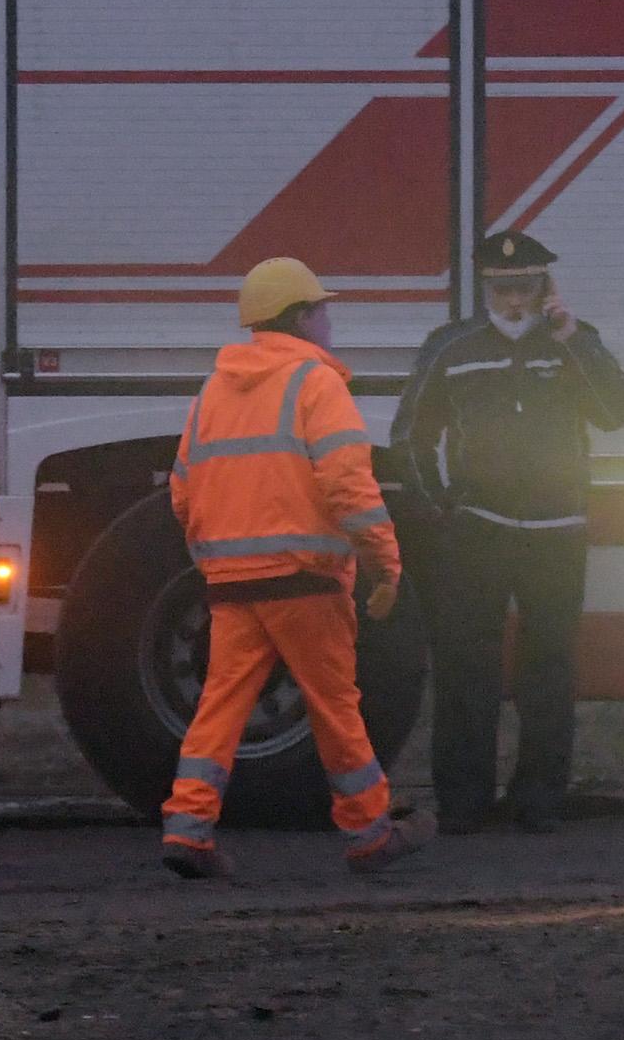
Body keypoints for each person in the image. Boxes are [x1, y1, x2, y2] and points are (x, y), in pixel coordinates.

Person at [160, 257, 434, 878]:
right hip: (306, 580)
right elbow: (348, 485)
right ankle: (369, 832)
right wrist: (385, 565)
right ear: (303, 316)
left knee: (219, 706)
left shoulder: (214, 391)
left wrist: (218, 552)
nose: (331, 320)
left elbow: (182, 491)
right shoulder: (317, 385)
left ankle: (187, 828)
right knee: (335, 704)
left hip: (232, 584)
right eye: (324, 308)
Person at [392, 231, 624, 834]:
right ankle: (464, 803)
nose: (512, 298)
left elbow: (616, 413)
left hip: (559, 532)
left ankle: (540, 801)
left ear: (544, 285)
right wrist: (440, 508)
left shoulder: (576, 343)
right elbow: (410, 437)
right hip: (480, 532)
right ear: (484, 287)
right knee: (465, 670)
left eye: (524, 284)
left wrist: (572, 338)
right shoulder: (450, 347)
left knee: (549, 672)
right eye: (501, 287)